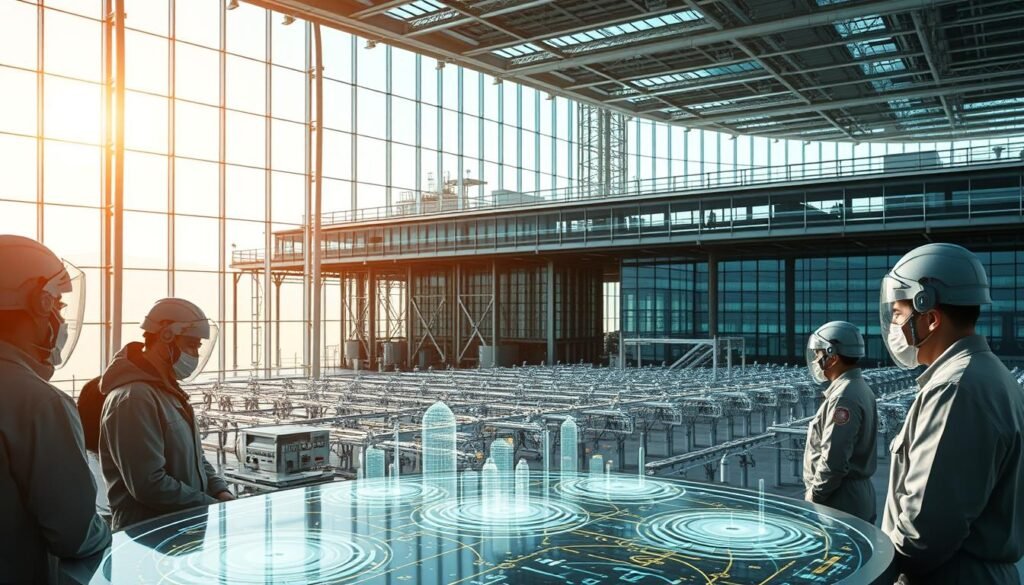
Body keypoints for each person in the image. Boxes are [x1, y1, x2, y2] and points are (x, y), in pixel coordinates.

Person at [880, 242, 1024, 584]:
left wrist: (878, 573)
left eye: (899, 314)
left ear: (930, 317)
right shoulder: (986, 374)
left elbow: (925, 532)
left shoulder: (956, 388)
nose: (895, 325)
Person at [0, 235, 111, 582]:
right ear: (40, 302)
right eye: (59, 305)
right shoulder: (39, 403)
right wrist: (109, 532)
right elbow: (73, 535)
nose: (61, 318)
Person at [99, 298, 234, 531]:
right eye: (191, 345)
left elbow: (196, 458)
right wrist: (210, 506)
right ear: (166, 337)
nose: (195, 355)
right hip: (149, 536)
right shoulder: (134, 399)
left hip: (180, 527)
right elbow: (149, 484)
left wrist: (219, 490)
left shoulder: (167, 393)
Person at [802, 321, 878, 523]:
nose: (817, 360)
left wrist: (814, 496)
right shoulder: (858, 387)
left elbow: (834, 460)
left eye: (819, 354)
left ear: (832, 356)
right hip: (853, 496)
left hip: (839, 501)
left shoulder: (843, 397)